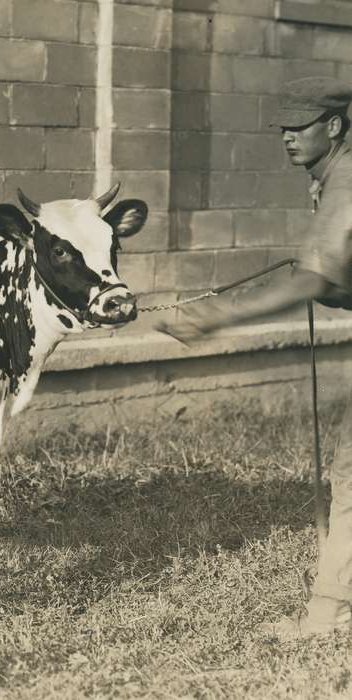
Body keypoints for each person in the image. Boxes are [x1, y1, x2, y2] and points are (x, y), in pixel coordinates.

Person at [158, 76, 352, 639]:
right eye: (282, 128)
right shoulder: (333, 176)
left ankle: (329, 612)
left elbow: (313, 281)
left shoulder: (346, 179)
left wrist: (219, 314)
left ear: (333, 126)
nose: (288, 137)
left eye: (299, 127)